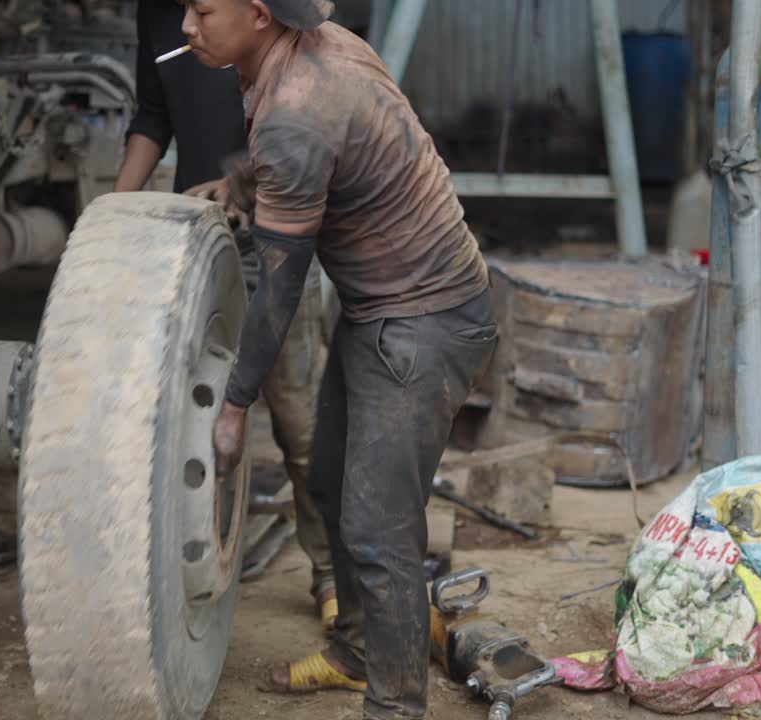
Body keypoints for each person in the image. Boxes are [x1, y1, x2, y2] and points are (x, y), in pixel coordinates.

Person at [187, 1, 498, 719]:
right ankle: (358, 653)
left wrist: (234, 405)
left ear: (257, 15)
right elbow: (327, 157)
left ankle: (396, 706)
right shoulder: (317, 45)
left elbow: (279, 290)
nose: (187, 27)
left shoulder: (296, 110)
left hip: (423, 324)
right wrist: (241, 187)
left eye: (202, 10)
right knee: (329, 483)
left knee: (379, 531)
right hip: (384, 311)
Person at [113, 0, 340, 633]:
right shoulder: (160, 13)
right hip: (193, 236)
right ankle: (182, 568)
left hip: (278, 234)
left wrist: (249, 190)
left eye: (203, 11)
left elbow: (310, 116)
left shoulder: (267, 10)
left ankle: (331, 571)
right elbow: (153, 114)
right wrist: (113, 210)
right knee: (184, 414)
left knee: (299, 415)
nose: (191, 23)